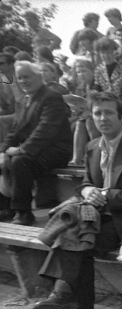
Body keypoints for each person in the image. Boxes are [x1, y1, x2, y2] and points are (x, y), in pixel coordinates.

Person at [32, 92, 122, 309]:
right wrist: (88, 190)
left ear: (121, 116)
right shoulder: (92, 147)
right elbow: (86, 182)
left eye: (109, 112)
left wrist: (109, 195)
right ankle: (71, 300)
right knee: (76, 234)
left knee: (74, 237)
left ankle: (74, 302)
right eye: (97, 113)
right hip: (96, 220)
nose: (102, 118)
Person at [0, 61, 71, 224]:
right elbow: (15, 130)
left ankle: (23, 212)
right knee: (4, 159)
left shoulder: (51, 97)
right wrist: (3, 151)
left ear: (38, 76)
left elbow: (45, 131)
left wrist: (21, 150)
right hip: (35, 151)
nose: (23, 81)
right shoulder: (23, 100)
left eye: (27, 77)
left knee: (20, 161)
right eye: (19, 78)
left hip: (56, 150)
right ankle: (4, 208)